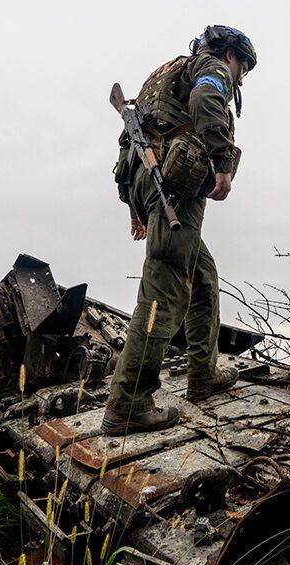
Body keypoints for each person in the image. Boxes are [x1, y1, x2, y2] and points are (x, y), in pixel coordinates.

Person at [101, 25, 257, 435]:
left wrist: (134, 205)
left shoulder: (162, 77)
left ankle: (202, 373)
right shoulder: (210, 69)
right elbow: (208, 99)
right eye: (242, 66)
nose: (240, 77)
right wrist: (222, 163)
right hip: (175, 192)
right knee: (163, 294)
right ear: (229, 55)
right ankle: (128, 404)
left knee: (202, 277)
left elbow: (128, 146)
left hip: (150, 186)